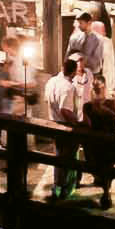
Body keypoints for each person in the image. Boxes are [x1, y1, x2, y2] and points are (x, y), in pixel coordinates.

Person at [42, 54, 83, 200]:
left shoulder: (52, 81)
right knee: (68, 158)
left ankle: (57, 186)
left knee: (59, 156)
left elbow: (47, 100)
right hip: (65, 126)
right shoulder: (68, 87)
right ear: (73, 72)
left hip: (53, 122)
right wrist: (77, 123)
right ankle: (64, 189)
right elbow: (65, 110)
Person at [80, 71, 115, 208]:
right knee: (96, 166)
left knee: (108, 166)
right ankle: (103, 186)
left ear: (104, 86)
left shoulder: (110, 103)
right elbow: (87, 122)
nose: (96, 87)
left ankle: (106, 193)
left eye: (99, 85)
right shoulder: (87, 106)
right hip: (95, 140)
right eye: (94, 85)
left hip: (109, 138)